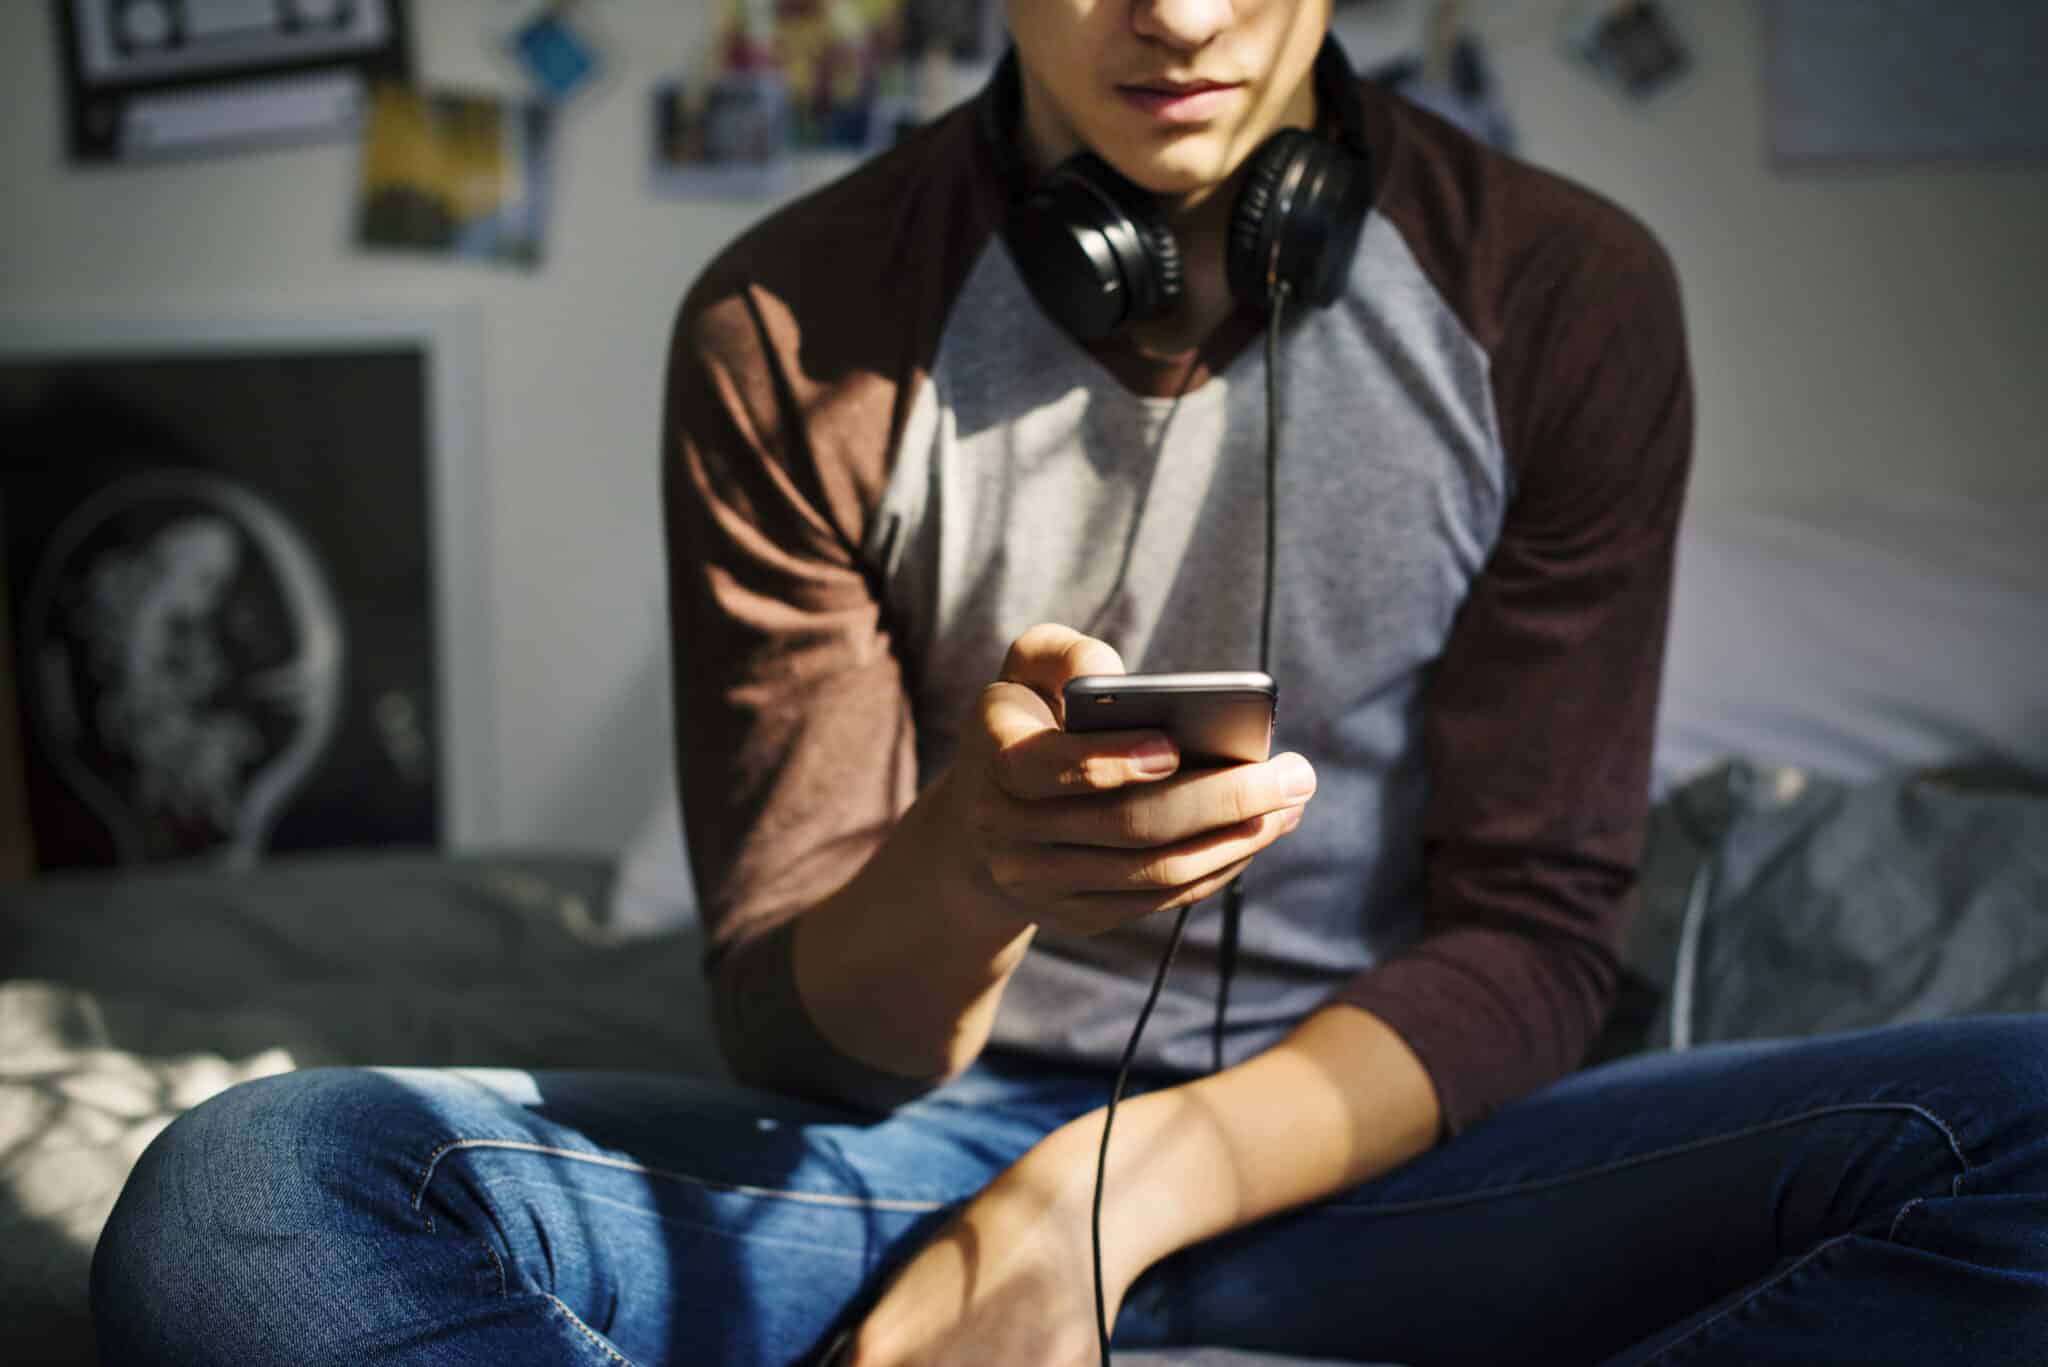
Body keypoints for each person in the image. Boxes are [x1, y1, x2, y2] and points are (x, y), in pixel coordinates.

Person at [91, 3, 2047, 1364]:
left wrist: (1090, 1215)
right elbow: (793, 1038)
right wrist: (979, 870)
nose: (1175, 17)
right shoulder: (793, 327)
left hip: (1403, 1153)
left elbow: (1536, 944)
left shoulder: (1559, 292)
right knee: (251, 1192)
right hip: (911, 1158)